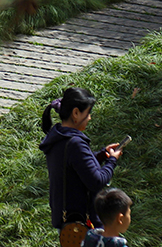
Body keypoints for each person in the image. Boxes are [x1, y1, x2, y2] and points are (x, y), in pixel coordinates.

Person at [39, 87, 123, 231]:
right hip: (83, 224)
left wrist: (102, 155)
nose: (89, 117)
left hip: (67, 221)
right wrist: (111, 161)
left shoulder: (58, 137)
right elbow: (97, 181)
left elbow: (75, 166)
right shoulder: (75, 144)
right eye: (88, 112)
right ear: (76, 113)